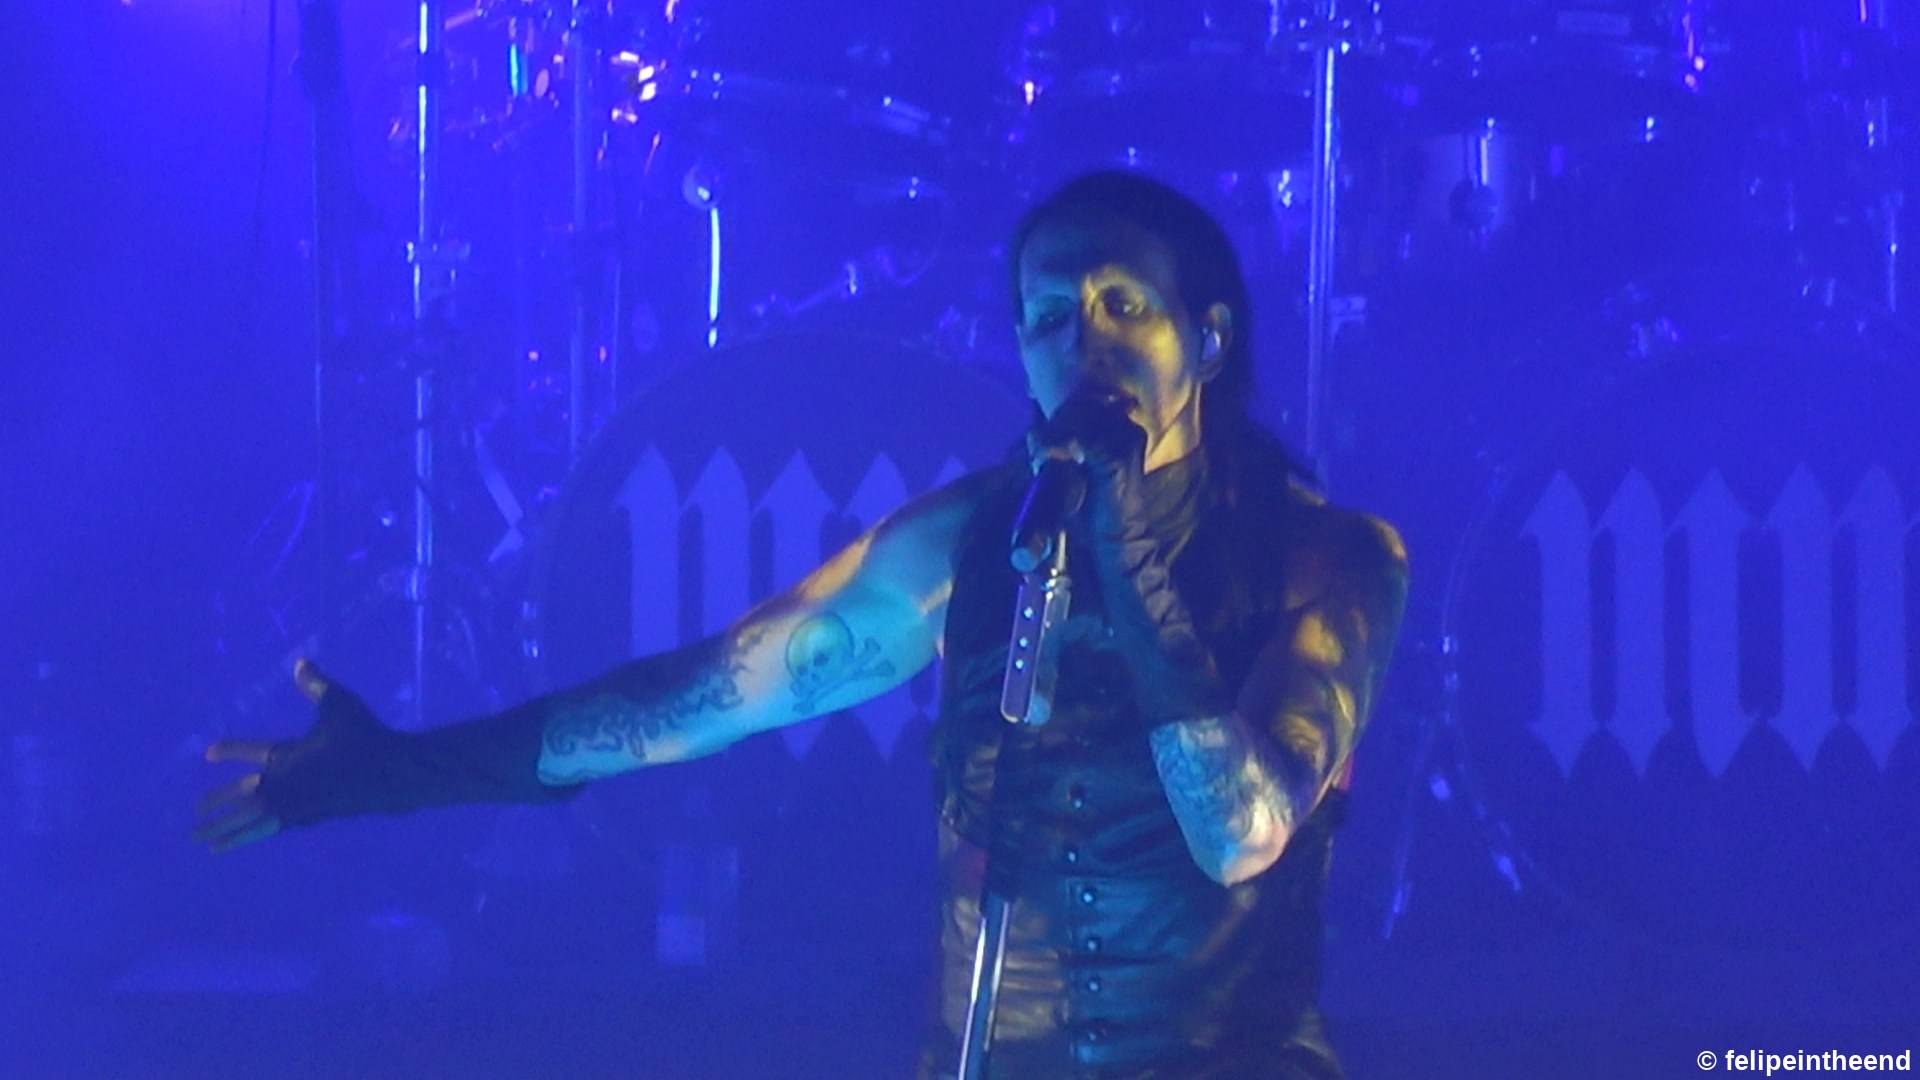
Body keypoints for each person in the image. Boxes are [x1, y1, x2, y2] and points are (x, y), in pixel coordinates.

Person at [197, 171, 1409, 1078]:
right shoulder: (970, 542)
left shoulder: (1331, 559)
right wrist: (392, 771)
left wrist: (1118, 543)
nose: (1084, 343)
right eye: (1049, 317)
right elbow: (685, 703)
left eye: (1124, 304)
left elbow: (1241, 830)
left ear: (1208, 337)